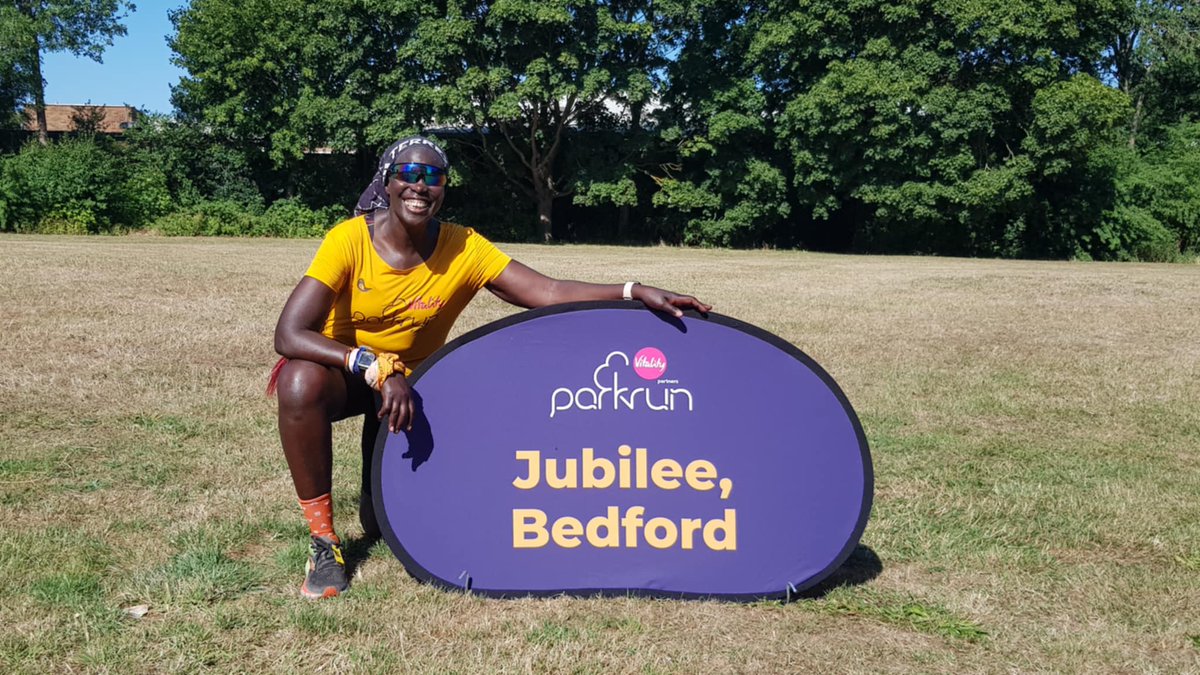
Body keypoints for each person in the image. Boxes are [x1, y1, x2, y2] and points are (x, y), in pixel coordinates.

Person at [271, 136, 711, 599]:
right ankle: (324, 542)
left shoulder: (463, 246)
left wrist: (632, 290)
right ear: (388, 180)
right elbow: (289, 334)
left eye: (434, 176)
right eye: (409, 174)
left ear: (445, 187)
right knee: (299, 381)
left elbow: (547, 292)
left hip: (411, 390)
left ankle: (374, 491)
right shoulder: (350, 239)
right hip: (349, 374)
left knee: (382, 522)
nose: (420, 186)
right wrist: (372, 365)